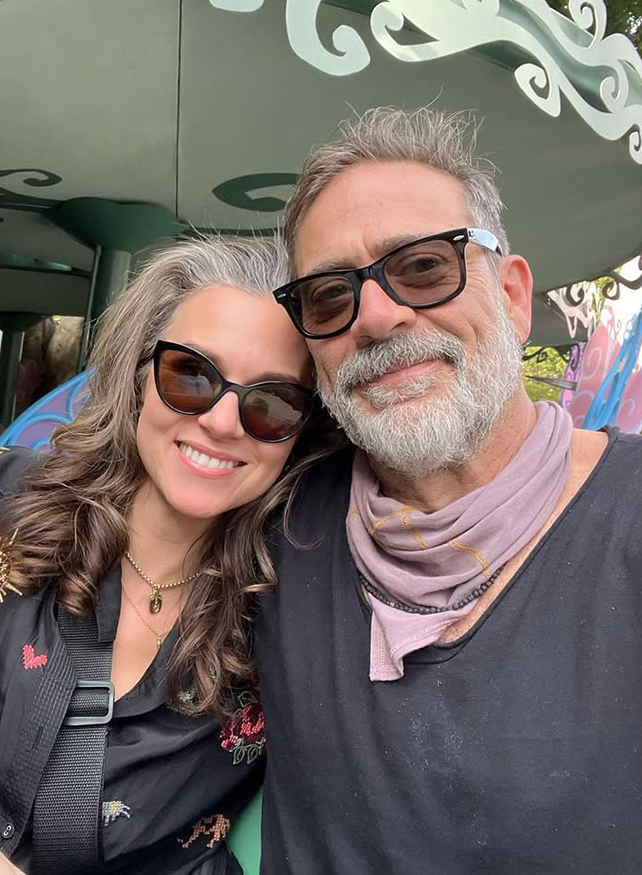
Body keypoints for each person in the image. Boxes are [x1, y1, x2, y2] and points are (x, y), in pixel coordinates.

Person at [255, 106, 642, 874]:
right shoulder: (274, 523)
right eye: (330, 296)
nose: (376, 316)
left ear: (513, 294)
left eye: (425, 266)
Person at [0, 235, 332, 874]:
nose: (224, 422)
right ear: (137, 375)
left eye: (271, 403)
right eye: (192, 375)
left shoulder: (293, 606)